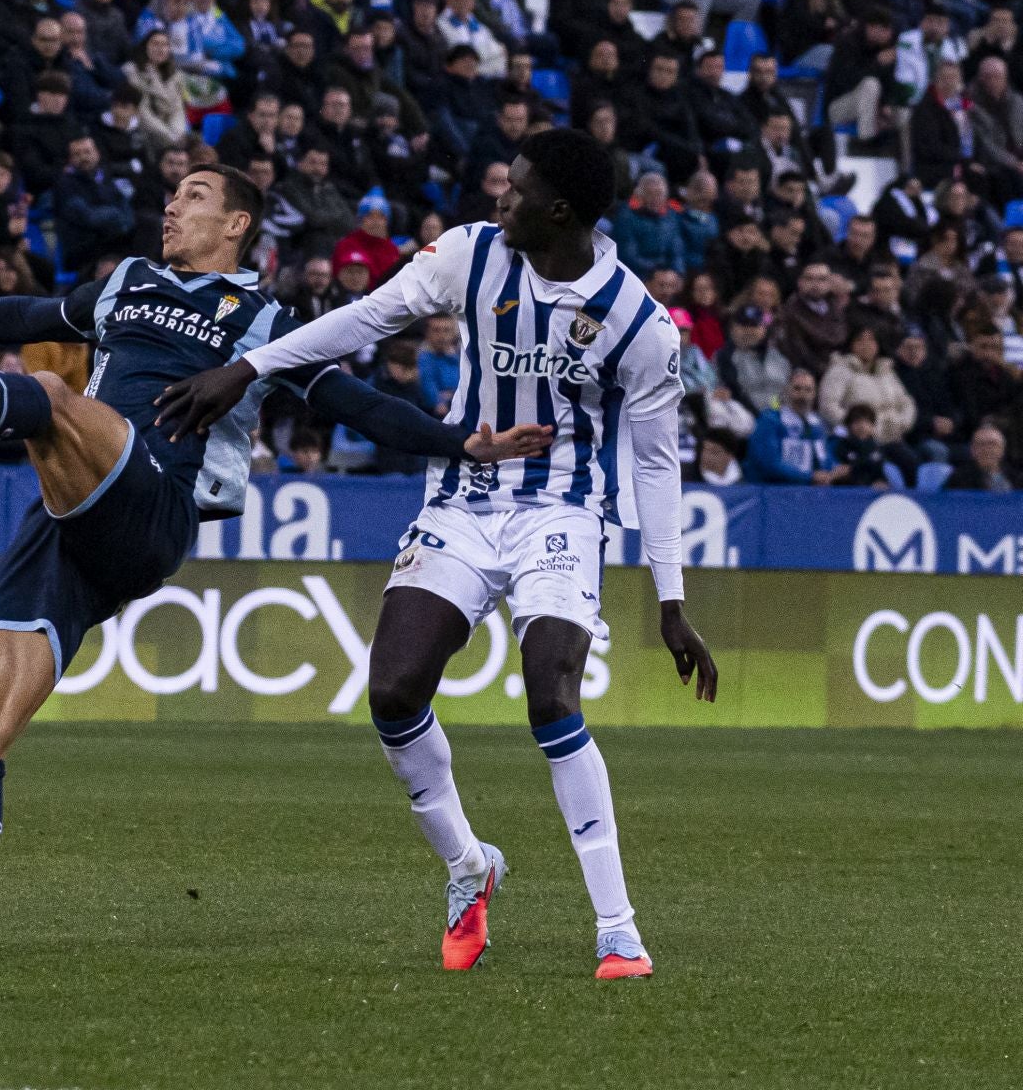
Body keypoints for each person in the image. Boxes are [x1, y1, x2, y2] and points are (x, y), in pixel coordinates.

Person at [0, 164, 549, 968]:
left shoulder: (267, 319)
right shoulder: (127, 282)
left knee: (51, 394)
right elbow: (29, 311)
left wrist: (459, 442)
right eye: (171, 195)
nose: (172, 207)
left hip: (155, 504)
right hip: (69, 517)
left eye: (194, 197)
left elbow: (356, 405)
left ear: (238, 224)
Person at [157, 130, 718, 980]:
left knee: (551, 693)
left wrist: (671, 599)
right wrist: (251, 366)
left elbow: (654, 460)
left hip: (561, 511)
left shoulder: (640, 323)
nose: (501, 197)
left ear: (561, 212)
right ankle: (469, 866)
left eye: (518, 189)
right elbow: (367, 315)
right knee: (393, 689)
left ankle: (617, 926)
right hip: (462, 498)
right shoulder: (471, 254)